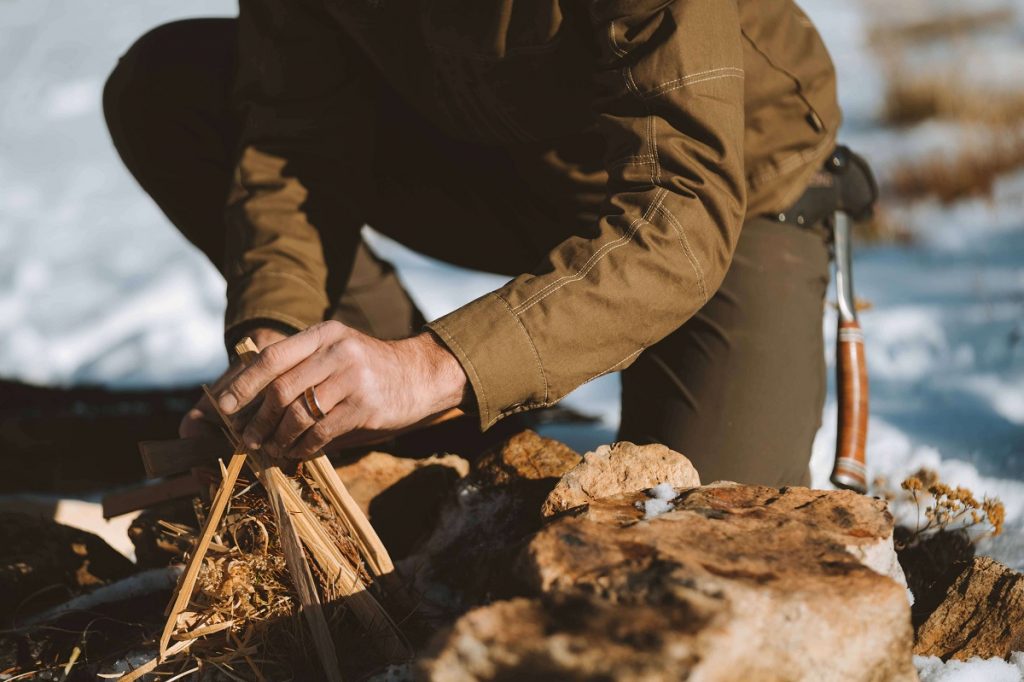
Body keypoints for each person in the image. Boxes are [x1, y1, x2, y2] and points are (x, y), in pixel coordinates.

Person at [104, 0, 841, 486]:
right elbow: (292, 138)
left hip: (722, 204)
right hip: (488, 161)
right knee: (171, 85)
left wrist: (434, 366)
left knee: (697, 549)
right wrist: (276, 348)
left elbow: (682, 209)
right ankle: (399, 423)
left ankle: (432, 387)